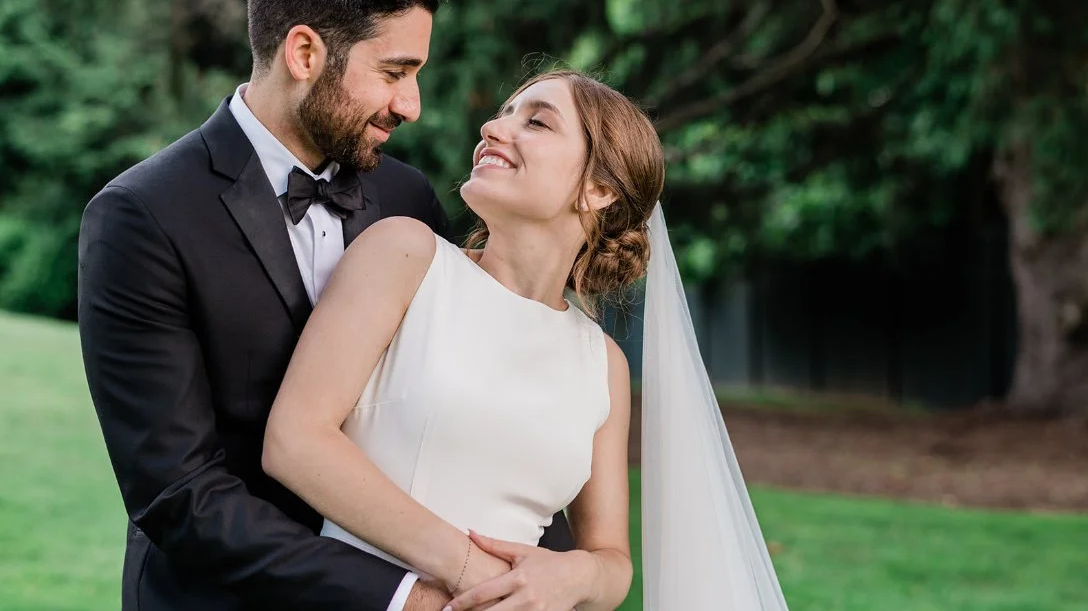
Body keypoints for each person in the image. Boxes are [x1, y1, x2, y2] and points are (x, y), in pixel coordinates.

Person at [78, 0, 570, 611]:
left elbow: (482, 401)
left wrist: (563, 571)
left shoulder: (406, 198)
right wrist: (406, 597)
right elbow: (178, 494)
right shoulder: (142, 216)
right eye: (395, 72)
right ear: (304, 53)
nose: (413, 105)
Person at [263, 70, 791, 610]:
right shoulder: (406, 256)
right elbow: (294, 441)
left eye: (536, 121)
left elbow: (612, 560)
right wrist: (475, 573)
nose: (492, 126)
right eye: (503, 112)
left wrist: (574, 578)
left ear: (599, 189)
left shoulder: (601, 363)